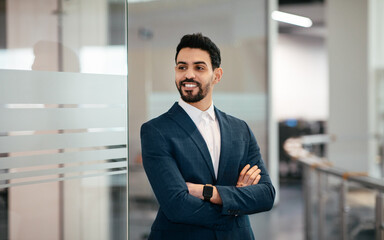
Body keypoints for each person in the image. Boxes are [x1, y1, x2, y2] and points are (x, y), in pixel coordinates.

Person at [140, 33, 275, 240]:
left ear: (217, 75)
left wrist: (208, 192)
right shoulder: (156, 131)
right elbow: (177, 204)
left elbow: (266, 195)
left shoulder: (240, 130)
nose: (188, 75)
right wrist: (237, 202)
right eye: (182, 67)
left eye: (199, 68)